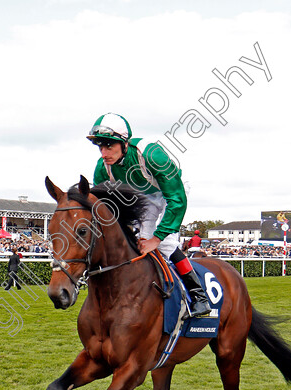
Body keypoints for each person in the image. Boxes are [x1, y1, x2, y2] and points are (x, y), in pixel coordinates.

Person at [87, 112, 210, 316]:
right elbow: (105, 207)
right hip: (144, 196)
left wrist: (158, 237)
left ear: (124, 143)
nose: (103, 153)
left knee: (164, 243)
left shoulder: (152, 154)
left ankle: (198, 296)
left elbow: (177, 199)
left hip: (170, 191)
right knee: (139, 240)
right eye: (100, 146)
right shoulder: (103, 168)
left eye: (109, 146)